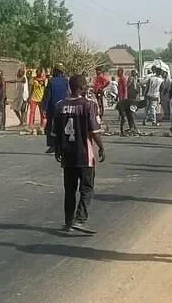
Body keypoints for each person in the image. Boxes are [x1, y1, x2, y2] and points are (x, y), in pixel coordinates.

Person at [53, 74, 105, 234]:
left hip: (67, 155)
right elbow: (94, 131)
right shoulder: (89, 105)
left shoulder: (59, 106)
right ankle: (80, 219)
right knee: (87, 188)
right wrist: (102, 147)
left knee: (69, 190)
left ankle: (68, 222)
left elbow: (56, 133)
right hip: (84, 154)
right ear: (81, 88)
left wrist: (57, 149)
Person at [43, 64, 70, 154]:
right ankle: (63, 144)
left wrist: (44, 108)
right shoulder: (66, 81)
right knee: (63, 125)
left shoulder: (51, 81)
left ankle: (52, 145)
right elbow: (68, 94)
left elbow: (48, 96)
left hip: (53, 107)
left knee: (50, 126)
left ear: (56, 71)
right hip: (64, 106)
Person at [115, 68, 136, 136]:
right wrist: (117, 97)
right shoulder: (120, 79)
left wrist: (124, 100)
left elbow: (125, 89)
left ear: (121, 72)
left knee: (125, 116)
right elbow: (119, 90)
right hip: (121, 99)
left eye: (118, 72)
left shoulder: (123, 79)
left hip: (124, 100)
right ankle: (129, 129)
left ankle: (126, 130)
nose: (117, 73)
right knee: (125, 115)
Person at [27, 68, 47, 133]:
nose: (38, 73)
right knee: (32, 112)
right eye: (37, 72)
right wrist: (29, 97)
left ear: (41, 72)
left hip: (41, 98)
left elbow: (46, 88)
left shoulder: (44, 79)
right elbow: (31, 88)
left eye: (39, 72)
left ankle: (42, 126)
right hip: (34, 98)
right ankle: (30, 126)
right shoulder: (33, 79)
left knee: (42, 113)